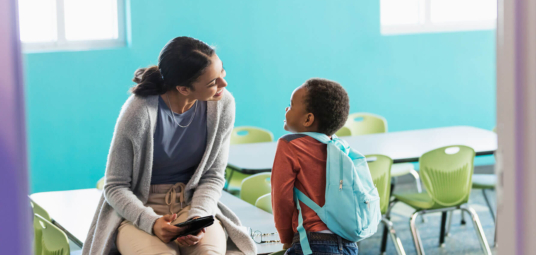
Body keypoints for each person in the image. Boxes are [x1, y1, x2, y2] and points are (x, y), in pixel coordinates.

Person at [82, 36, 256, 255]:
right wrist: (152, 222)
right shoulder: (139, 111)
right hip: (139, 210)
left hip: (192, 204)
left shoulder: (223, 104)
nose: (224, 84)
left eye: (222, 72)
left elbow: (212, 176)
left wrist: (198, 217)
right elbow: (115, 186)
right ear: (183, 88)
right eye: (213, 82)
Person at [271, 78, 358, 255]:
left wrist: (286, 238)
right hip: (348, 242)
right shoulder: (339, 146)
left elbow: (281, 199)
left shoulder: (289, 145)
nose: (287, 109)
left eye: (291, 105)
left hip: (312, 243)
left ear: (308, 119)